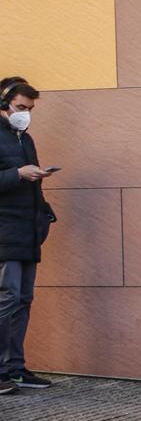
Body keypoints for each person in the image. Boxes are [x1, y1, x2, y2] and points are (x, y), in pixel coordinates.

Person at [0, 77, 56, 395]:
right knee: (6, 299)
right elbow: (11, 178)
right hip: (5, 231)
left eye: (30, 109)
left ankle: (15, 368)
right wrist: (17, 174)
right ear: (3, 102)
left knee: (22, 300)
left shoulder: (24, 137)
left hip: (27, 229)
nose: (26, 113)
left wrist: (43, 209)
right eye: (21, 107)